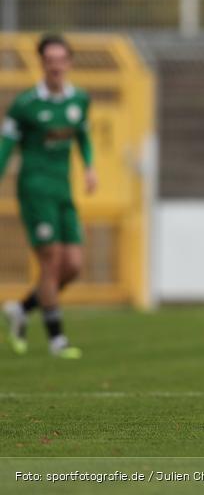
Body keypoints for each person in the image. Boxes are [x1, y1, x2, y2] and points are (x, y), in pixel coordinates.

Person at [1, 34, 97, 359]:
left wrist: (90, 168)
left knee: (73, 265)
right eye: (49, 60)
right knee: (51, 260)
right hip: (34, 189)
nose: (55, 66)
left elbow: (82, 135)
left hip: (62, 189)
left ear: (69, 62)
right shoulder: (26, 105)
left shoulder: (79, 100)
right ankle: (57, 339)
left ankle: (22, 308)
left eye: (61, 59)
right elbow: (5, 147)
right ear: (42, 63)